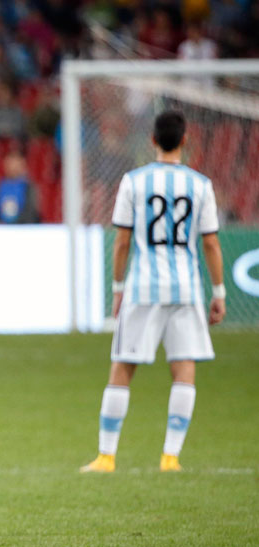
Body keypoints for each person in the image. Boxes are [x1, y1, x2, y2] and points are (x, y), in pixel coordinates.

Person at [80, 110, 225, 474]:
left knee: (122, 368)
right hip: (187, 289)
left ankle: (106, 456)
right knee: (184, 369)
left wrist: (117, 288)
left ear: (153, 140)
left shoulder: (133, 181)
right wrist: (219, 291)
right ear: (185, 140)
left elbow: (122, 240)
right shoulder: (201, 184)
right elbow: (210, 243)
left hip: (143, 287)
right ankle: (170, 457)